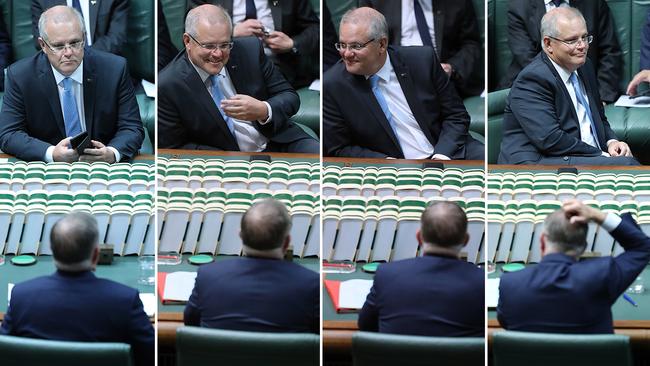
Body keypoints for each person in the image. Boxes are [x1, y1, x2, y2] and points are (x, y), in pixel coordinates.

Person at [323, 7, 483, 160]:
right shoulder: (333, 84)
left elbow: (456, 116)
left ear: (381, 44)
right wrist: (386, 162)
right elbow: (338, 148)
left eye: (356, 46)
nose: (346, 53)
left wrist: (441, 157)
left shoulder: (422, 61)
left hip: (445, 152)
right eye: (342, 45)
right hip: (390, 167)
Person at [0, 212, 154, 366]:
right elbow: (150, 356)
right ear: (95, 255)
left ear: (53, 253)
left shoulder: (21, 296)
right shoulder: (125, 300)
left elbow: (5, 351)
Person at [158, 4, 317, 153]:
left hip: (279, 142)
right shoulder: (169, 84)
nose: (218, 54)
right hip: (222, 159)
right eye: (209, 46)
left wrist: (263, 109)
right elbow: (175, 148)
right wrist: (232, 161)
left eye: (225, 45)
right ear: (187, 41)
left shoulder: (250, 50)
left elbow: (290, 97)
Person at [0, 6, 144, 163]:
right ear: (43, 45)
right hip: (48, 171)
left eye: (75, 43)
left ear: (84, 37)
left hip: (101, 168)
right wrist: (51, 153)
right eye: (59, 46)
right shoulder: (21, 76)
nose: (68, 52)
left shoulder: (114, 69)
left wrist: (112, 153)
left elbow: (132, 128)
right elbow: (9, 134)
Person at [498, 7, 638, 166]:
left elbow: (599, 117)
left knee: (629, 164)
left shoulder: (585, 67)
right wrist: (602, 154)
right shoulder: (532, 80)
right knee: (627, 166)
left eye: (585, 37)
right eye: (572, 40)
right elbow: (551, 139)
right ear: (548, 43)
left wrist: (611, 142)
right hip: (539, 165)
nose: (582, 46)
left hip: (578, 155)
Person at [497, 199, 650, 333]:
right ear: (584, 247)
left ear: (542, 241)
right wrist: (597, 215)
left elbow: (505, 323)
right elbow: (643, 247)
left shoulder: (509, 284)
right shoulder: (602, 275)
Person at [184, 198, 319, 334]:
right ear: (287, 242)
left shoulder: (207, 276)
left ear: (241, 236)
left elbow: (191, 324)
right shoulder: (311, 284)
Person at [358, 201, 484, 336]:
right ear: (466, 240)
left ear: (419, 237)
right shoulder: (481, 281)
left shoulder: (386, 275)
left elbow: (365, 325)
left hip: (398, 357)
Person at [499, 0, 622, 103]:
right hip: (535, 86)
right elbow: (526, 57)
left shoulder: (593, 3)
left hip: (584, 85)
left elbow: (609, 52)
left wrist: (601, 97)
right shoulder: (519, 5)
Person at [358, 0, 482, 98]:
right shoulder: (374, 3)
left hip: (440, 78)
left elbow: (471, 44)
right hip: (393, 78)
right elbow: (365, 42)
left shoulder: (456, 2)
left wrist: (452, 68)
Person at [187, 0, 319, 89]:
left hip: (276, 62)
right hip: (222, 59)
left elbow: (315, 29)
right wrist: (231, 32)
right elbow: (192, 29)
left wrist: (292, 43)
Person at [32, 0, 128, 55]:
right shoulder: (42, 1)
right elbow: (43, 39)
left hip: (102, 63)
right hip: (60, 66)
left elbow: (117, 38)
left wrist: (81, 58)